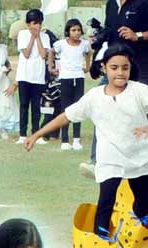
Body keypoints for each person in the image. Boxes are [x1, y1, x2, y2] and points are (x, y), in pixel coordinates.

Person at [26, 44, 148, 241]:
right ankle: (99, 239)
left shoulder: (139, 90)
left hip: (139, 153)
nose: (120, 73)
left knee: (144, 203)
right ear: (104, 67)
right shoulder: (94, 96)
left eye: (125, 68)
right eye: (114, 67)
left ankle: (139, 220)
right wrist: (37, 134)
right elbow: (66, 116)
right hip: (110, 155)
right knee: (106, 198)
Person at [83, 0, 148, 176]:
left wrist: (138, 35)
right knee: (101, 105)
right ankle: (96, 161)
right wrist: (98, 53)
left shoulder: (146, 2)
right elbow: (111, 32)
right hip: (115, 67)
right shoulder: (111, 4)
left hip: (142, 66)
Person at [50, 19, 91, 151]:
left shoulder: (84, 44)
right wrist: (51, 67)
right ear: (68, 31)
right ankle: (65, 139)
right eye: (73, 30)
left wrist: (88, 66)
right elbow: (51, 52)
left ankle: (77, 140)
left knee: (78, 107)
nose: (77, 33)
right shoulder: (61, 44)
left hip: (78, 77)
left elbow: (89, 53)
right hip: (65, 77)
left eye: (79, 30)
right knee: (66, 108)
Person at [14, 9, 51, 145]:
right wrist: (32, 37)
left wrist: (38, 37)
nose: (37, 26)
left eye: (39, 23)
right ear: (28, 24)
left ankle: (36, 134)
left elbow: (43, 55)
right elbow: (27, 53)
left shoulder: (45, 36)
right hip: (24, 76)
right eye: (34, 23)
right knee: (24, 105)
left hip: (38, 77)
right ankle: (22, 135)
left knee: (36, 107)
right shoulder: (22, 34)